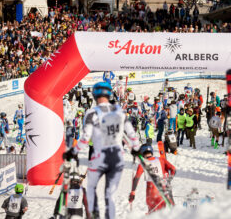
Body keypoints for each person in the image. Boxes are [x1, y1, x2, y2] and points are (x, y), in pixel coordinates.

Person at [63, 81, 140, 219]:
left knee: (91, 189)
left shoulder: (91, 113)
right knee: (110, 194)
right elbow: (132, 135)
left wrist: (73, 152)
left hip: (99, 156)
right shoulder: (119, 111)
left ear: (94, 95)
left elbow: (85, 138)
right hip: (117, 157)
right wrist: (136, 149)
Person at [128, 144, 176, 214]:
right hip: (162, 188)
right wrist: (169, 179)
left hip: (151, 190)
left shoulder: (142, 163)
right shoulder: (161, 159)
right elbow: (173, 169)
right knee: (162, 212)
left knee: (152, 213)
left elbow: (136, 178)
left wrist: (133, 192)